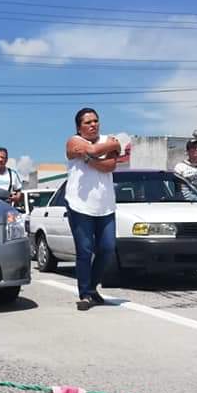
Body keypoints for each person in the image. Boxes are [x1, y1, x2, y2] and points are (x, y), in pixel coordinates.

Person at [64, 107, 123, 311]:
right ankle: (85, 294)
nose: (93, 125)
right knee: (85, 249)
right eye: (88, 122)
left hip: (105, 205)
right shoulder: (73, 141)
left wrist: (89, 158)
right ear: (79, 127)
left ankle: (91, 287)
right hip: (79, 204)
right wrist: (108, 147)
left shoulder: (108, 139)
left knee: (107, 248)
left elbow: (110, 165)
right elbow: (92, 151)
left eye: (95, 121)